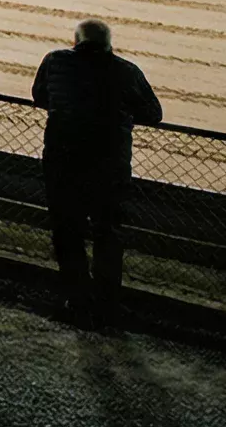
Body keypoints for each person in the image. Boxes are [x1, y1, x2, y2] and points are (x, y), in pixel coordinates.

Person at [34, 19, 161, 327]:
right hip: (109, 165)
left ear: (75, 41)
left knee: (67, 231)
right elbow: (154, 114)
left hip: (62, 161)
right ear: (109, 44)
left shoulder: (54, 61)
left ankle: (75, 300)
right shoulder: (126, 71)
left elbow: (40, 96)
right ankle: (107, 305)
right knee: (108, 233)